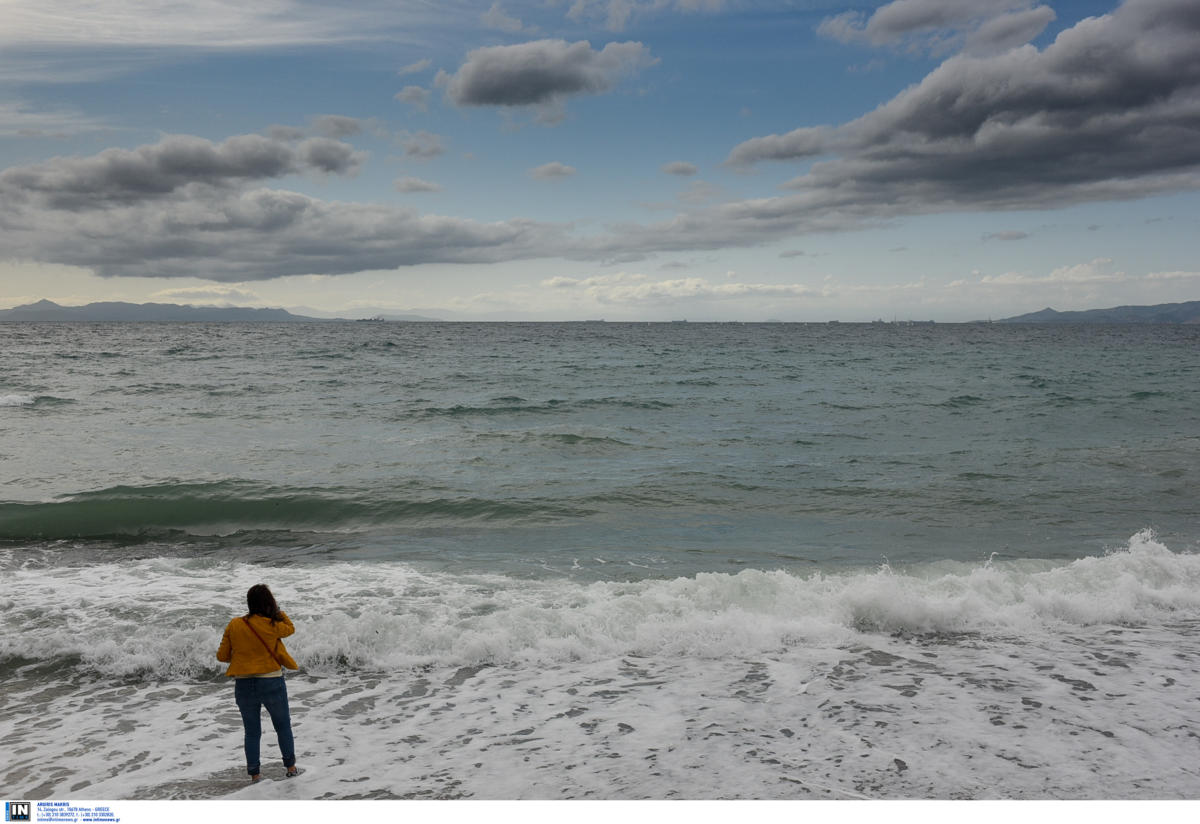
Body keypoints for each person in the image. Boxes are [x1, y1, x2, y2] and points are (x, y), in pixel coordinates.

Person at [217, 584, 300, 781]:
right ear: (269, 603)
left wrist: (243, 658)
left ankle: (255, 775)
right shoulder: (272, 625)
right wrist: (278, 610)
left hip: (244, 685)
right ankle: (291, 768)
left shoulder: (235, 624)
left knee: (252, 732)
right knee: (283, 726)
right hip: (271, 681)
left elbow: (222, 656)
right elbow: (290, 628)